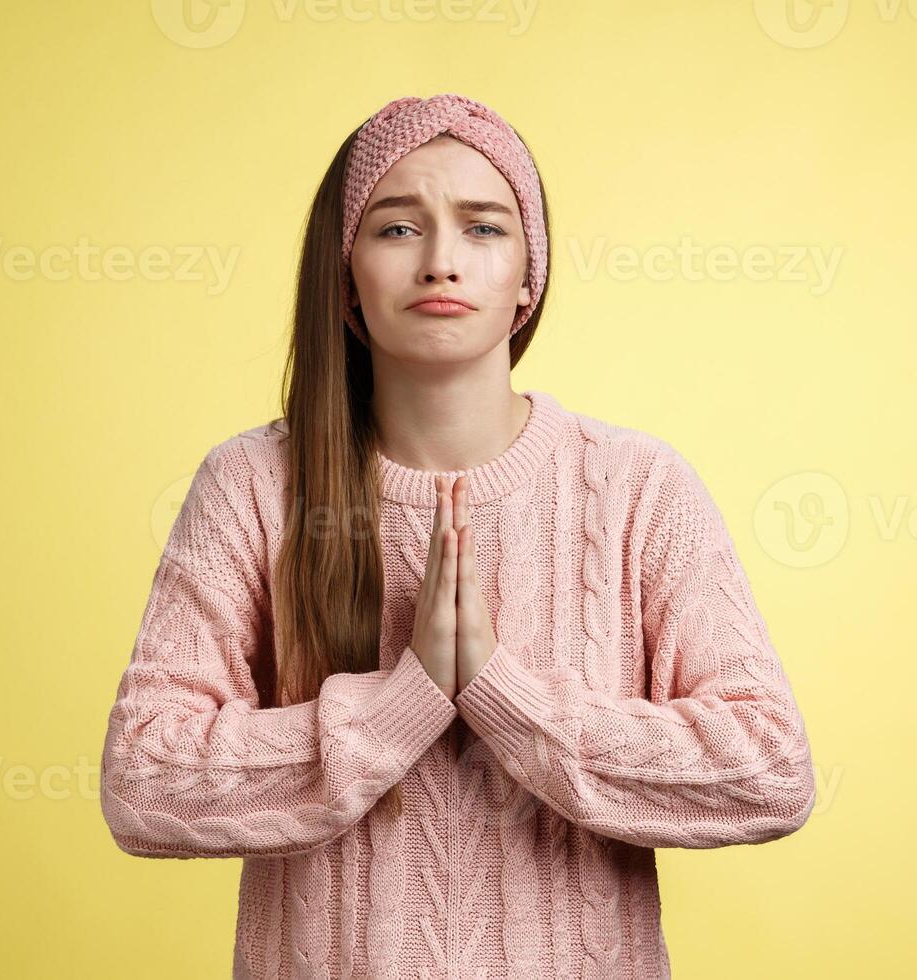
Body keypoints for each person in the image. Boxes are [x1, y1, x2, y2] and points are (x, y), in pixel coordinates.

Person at [97, 92, 817, 978]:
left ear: (529, 277)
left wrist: (502, 694)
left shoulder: (639, 489)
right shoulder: (253, 486)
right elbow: (143, 783)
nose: (441, 263)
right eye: (398, 229)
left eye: (483, 228)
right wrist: (402, 702)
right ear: (345, 273)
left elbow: (768, 769)